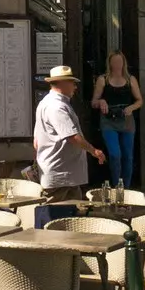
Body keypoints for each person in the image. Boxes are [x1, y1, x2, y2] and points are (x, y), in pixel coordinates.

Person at [33, 65, 104, 208]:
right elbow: (72, 136)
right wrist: (94, 151)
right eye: (72, 82)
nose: (75, 87)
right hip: (60, 175)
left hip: (66, 175)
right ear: (62, 83)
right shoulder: (56, 106)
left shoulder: (49, 102)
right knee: (53, 215)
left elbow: (36, 142)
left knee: (73, 214)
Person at [91, 50, 143, 190]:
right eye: (114, 61)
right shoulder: (103, 80)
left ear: (124, 63)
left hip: (126, 120)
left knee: (128, 156)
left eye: (120, 61)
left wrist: (131, 108)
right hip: (109, 121)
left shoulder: (130, 79)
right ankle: (116, 185)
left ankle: (126, 187)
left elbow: (139, 101)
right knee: (115, 154)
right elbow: (93, 102)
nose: (117, 64)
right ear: (109, 63)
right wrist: (101, 102)